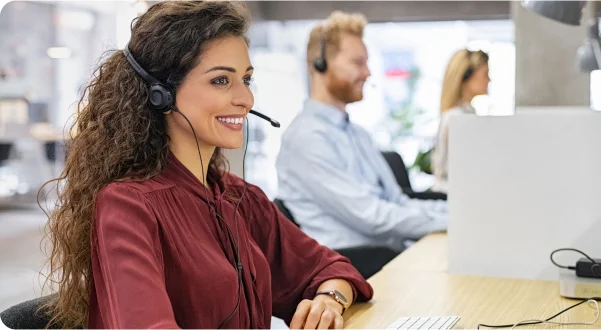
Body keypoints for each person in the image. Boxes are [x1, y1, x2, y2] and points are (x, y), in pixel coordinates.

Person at [39, 2, 372, 329]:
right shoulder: (127, 207)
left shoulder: (240, 197)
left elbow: (333, 268)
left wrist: (329, 300)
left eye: (246, 79)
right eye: (221, 81)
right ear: (162, 93)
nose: (247, 99)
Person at [275, 11, 448, 255]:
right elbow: (374, 218)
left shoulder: (357, 135)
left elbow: (397, 202)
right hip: (351, 265)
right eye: (357, 63)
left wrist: (457, 213)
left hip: (389, 254)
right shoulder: (306, 139)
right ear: (320, 64)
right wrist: (456, 221)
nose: (367, 73)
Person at [432, 49, 490, 194]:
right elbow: (466, 169)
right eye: (485, 74)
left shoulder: (466, 115)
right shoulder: (456, 118)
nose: (489, 80)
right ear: (465, 77)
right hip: (451, 195)